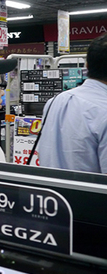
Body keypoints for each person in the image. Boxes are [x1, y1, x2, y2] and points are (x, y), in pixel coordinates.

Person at [37, 34, 107, 173]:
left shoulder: (55, 101)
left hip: (49, 186)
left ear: (87, 65)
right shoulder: (103, 110)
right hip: (87, 188)